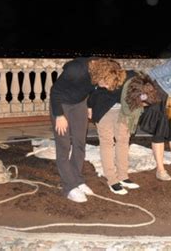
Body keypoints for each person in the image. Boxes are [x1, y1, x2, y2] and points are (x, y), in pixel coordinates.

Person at [50, 58, 126, 203]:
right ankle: (69, 187)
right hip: (62, 104)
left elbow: (91, 90)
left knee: (80, 143)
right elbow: (55, 92)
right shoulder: (76, 71)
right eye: (106, 83)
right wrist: (59, 115)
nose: (105, 87)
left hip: (79, 104)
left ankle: (77, 180)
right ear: (101, 75)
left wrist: (89, 106)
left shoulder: (101, 73)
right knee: (64, 145)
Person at [88, 71, 160, 195]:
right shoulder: (117, 81)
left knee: (123, 141)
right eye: (142, 103)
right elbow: (95, 89)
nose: (142, 106)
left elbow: (141, 100)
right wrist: (89, 106)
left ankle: (123, 176)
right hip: (103, 108)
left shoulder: (140, 85)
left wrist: (141, 103)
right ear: (135, 95)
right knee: (107, 143)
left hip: (122, 111)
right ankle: (112, 180)